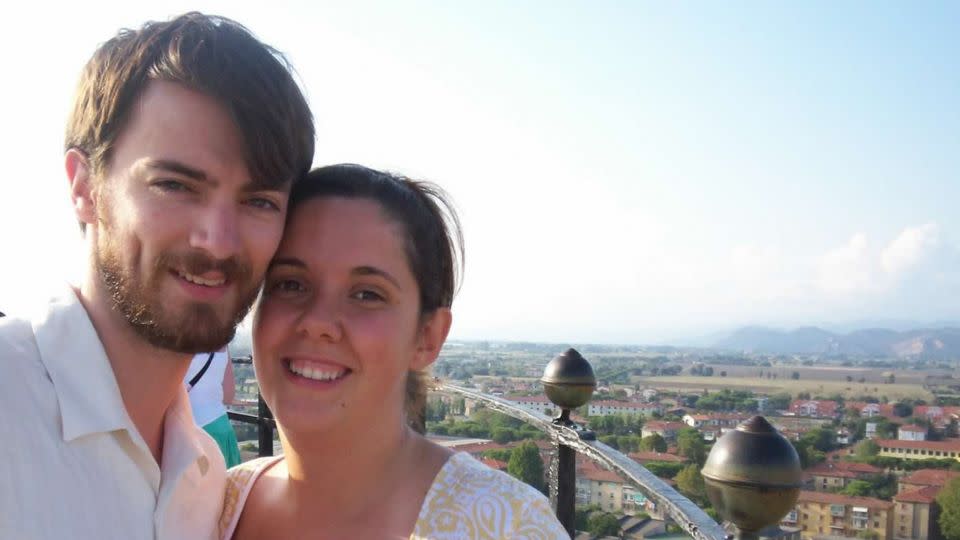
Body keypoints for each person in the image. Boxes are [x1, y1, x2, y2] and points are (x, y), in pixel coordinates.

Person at [0, 12, 314, 540]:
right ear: (84, 187)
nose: (217, 241)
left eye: (258, 200)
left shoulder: (206, 476)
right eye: (174, 185)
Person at [218, 164, 567, 539]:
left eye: (367, 294)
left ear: (427, 337)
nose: (317, 321)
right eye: (290, 284)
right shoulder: (217, 504)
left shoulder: (506, 526)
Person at [186, 347, 242, 467]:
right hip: (220, 425)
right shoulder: (223, 342)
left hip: (188, 429)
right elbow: (228, 396)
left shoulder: (179, 338)